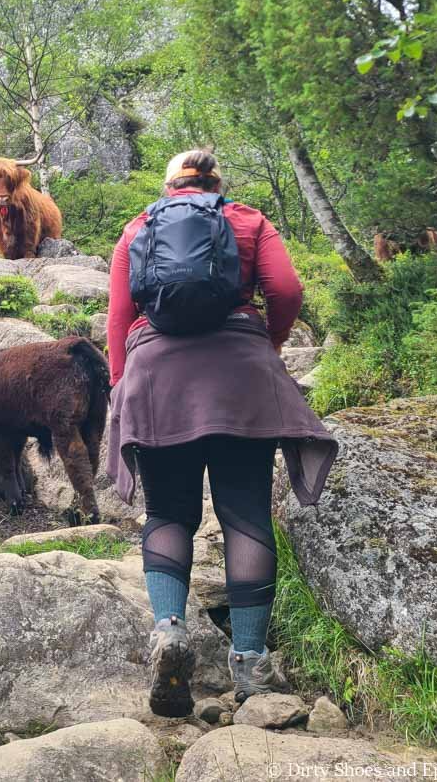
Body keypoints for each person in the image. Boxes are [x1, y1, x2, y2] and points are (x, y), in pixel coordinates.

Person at [104, 149, 337, 718]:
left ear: (168, 188)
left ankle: (168, 631)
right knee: (246, 515)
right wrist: (268, 341)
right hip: (240, 374)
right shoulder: (250, 220)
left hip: (158, 377)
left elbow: (117, 315)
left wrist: (121, 384)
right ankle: (252, 665)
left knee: (168, 513)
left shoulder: (139, 227)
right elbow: (285, 290)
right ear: (216, 184)